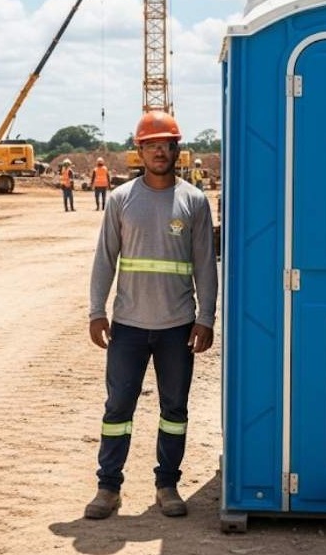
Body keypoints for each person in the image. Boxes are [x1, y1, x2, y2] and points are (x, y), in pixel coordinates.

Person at [84, 111, 218, 520]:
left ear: (178, 150)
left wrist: (206, 318)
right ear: (139, 151)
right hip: (128, 326)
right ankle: (108, 488)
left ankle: (167, 485)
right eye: (152, 145)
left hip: (178, 327)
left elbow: (205, 265)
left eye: (167, 145)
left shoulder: (194, 201)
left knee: (174, 410)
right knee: (118, 409)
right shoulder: (121, 199)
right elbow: (105, 258)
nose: (160, 151)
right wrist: (96, 311)